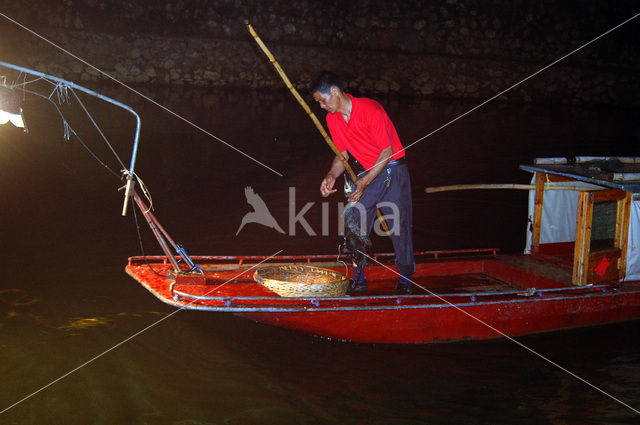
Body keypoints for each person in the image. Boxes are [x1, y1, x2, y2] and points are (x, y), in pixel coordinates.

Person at [309, 71, 415, 295]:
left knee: (399, 226)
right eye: (318, 102)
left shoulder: (370, 110)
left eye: (322, 100)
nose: (321, 106)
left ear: (335, 92)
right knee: (354, 222)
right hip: (369, 172)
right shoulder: (333, 118)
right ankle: (359, 278)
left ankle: (405, 278)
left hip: (393, 170)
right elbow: (342, 154)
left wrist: (364, 182)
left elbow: (386, 152)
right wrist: (331, 175)